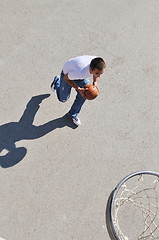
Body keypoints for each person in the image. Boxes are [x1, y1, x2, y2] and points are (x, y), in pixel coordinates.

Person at [51, 55, 106, 126]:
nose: (99, 76)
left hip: (78, 74)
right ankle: (57, 81)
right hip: (67, 74)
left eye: (101, 73)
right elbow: (66, 78)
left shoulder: (98, 62)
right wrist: (78, 88)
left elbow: (97, 74)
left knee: (85, 94)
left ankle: (72, 114)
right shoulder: (81, 72)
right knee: (63, 99)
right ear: (90, 69)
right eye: (97, 73)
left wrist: (95, 82)